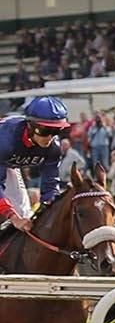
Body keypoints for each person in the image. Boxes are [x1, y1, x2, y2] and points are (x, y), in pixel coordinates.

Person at [0, 96, 73, 236]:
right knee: (14, 217)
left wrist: (46, 213)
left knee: (24, 215)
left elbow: (50, 187)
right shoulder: (5, 142)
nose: (50, 138)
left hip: (7, 164)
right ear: (30, 126)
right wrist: (12, 217)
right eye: (45, 131)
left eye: (56, 131)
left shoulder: (53, 148)